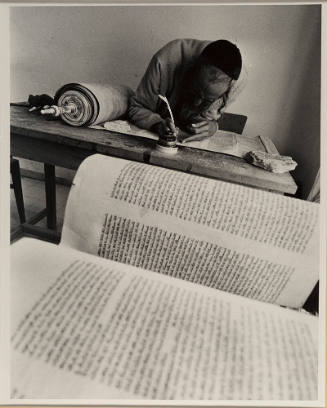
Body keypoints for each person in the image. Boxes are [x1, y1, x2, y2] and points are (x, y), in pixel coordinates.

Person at [128, 38, 242, 143]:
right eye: (194, 92)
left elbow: (212, 117)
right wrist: (156, 124)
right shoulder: (165, 60)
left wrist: (212, 126)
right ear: (191, 68)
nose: (197, 103)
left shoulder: (237, 83)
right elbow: (136, 107)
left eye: (208, 100)